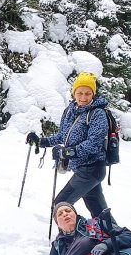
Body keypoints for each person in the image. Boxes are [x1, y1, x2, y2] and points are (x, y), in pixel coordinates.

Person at [26, 71, 109, 217]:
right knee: (99, 212)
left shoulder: (97, 113)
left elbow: (94, 143)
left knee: (60, 204)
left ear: (93, 94)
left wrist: (68, 152)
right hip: (83, 169)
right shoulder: (70, 110)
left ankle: (69, 237)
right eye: (80, 93)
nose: (83, 97)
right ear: (74, 92)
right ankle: (114, 236)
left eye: (88, 93)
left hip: (92, 168)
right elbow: (63, 136)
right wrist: (41, 141)